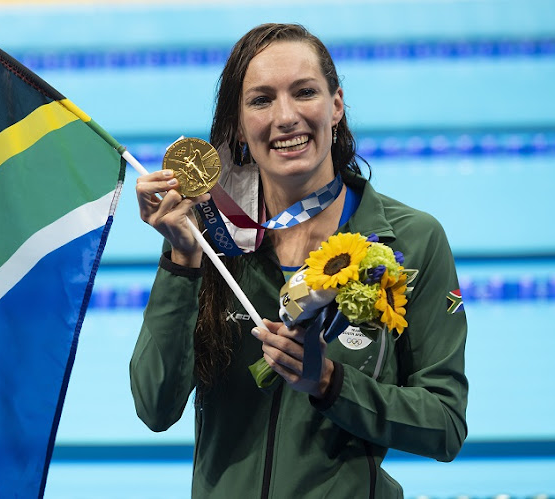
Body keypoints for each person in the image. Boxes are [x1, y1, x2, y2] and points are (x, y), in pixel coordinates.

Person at [130, 23, 468, 498]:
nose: (285, 116)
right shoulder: (212, 235)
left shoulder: (410, 240)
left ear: (336, 105)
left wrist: (330, 383)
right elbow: (155, 407)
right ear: (240, 126)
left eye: (304, 92)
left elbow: (445, 425)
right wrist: (182, 259)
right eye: (261, 100)